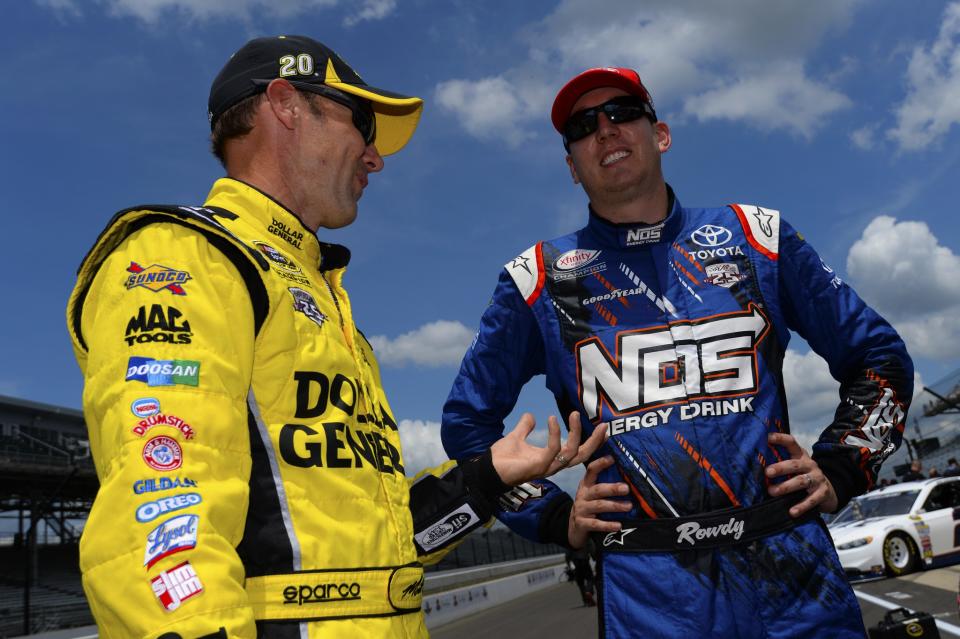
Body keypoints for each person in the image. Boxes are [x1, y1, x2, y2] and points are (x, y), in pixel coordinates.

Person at [65, 36, 603, 638]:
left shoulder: (319, 292)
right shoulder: (190, 256)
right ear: (287, 103)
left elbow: (382, 553)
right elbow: (160, 506)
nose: (375, 158)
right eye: (363, 125)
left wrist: (484, 477)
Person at [441, 67, 914, 637]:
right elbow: (469, 428)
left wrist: (843, 466)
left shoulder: (756, 235)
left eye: (622, 113)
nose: (606, 131)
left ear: (659, 134)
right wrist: (554, 516)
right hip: (651, 594)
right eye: (584, 126)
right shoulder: (537, 280)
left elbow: (879, 358)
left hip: (792, 574)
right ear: (572, 166)